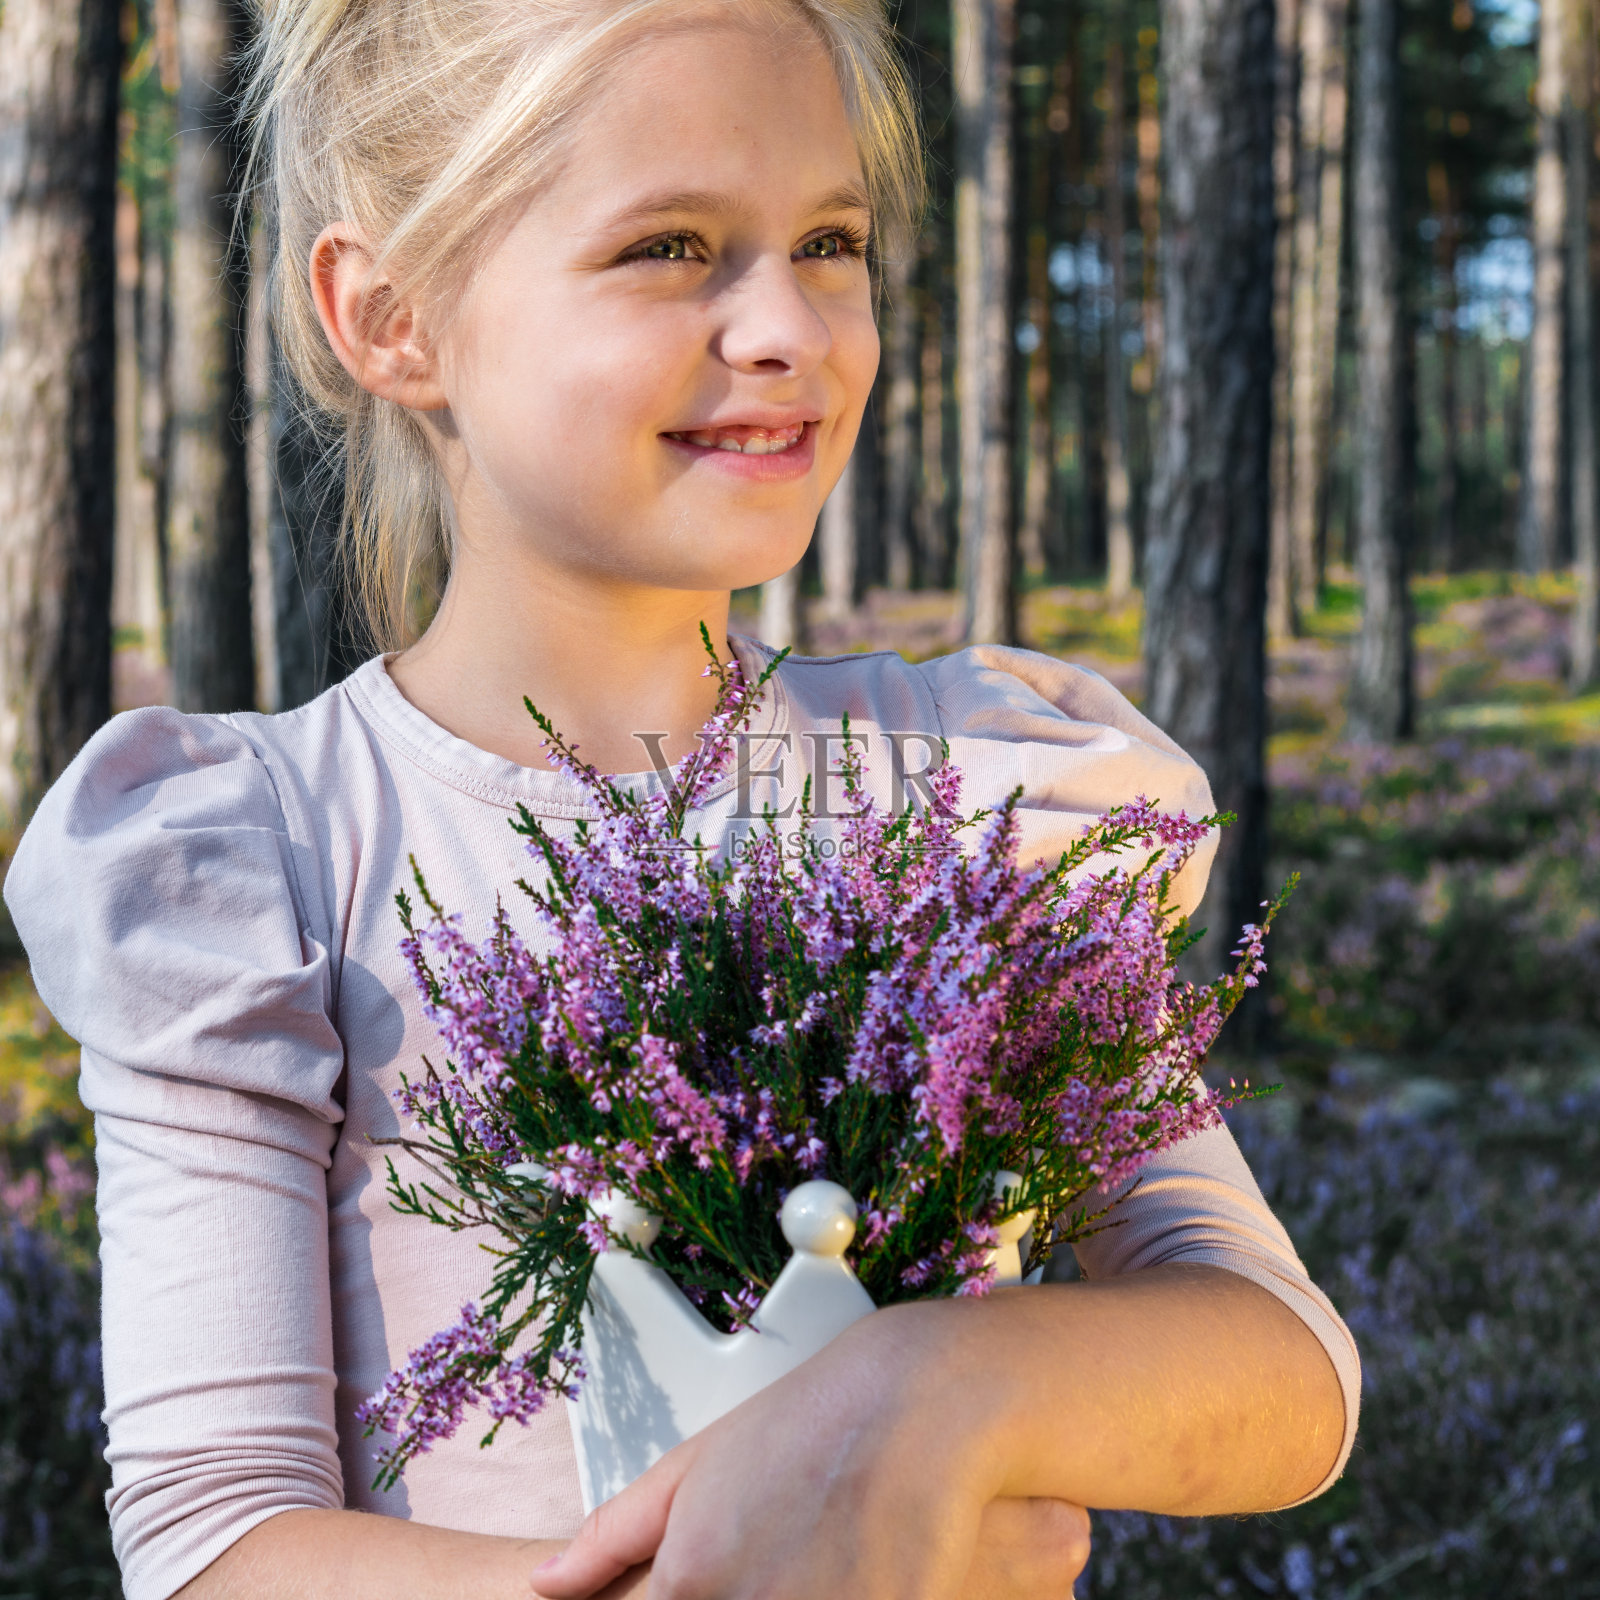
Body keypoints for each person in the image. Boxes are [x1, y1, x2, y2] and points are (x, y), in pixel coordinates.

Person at [5, 2, 1360, 1596]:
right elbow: (214, 1538)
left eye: (833, 239)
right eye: (669, 246)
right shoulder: (266, 858)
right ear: (391, 318)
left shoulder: (978, 798)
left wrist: (921, 1398)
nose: (792, 324)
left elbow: (1285, 1372)